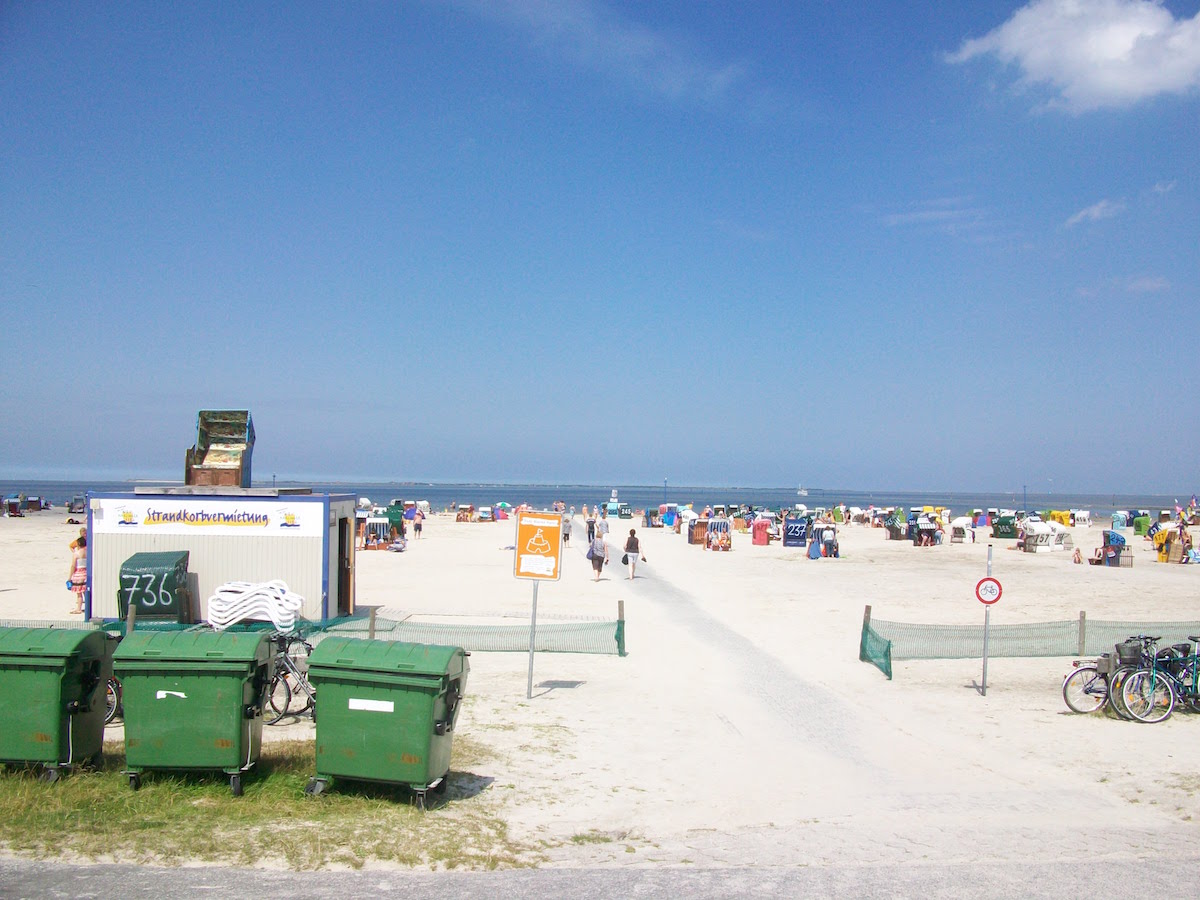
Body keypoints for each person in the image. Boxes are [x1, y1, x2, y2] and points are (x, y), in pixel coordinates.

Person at [67, 533, 88, 614]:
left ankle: (78, 609)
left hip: (78, 573)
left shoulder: (76, 554)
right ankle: (88, 608)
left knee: (79, 594)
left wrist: (69, 577)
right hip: (86, 573)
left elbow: (73, 566)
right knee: (85, 592)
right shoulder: (88, 552)